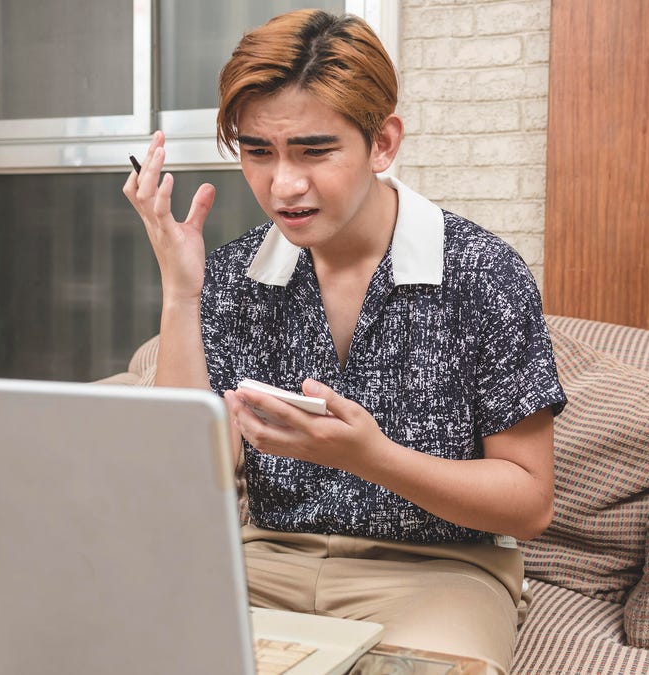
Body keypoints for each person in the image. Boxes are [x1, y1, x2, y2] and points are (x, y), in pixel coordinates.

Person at [122, 9, 565, 673]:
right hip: (264, 559)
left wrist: (371, 456)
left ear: (382, 143)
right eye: (258, 151)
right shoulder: (235, 275)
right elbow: (182, 474)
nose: (283, 185)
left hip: (440, 570)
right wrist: (182, 294)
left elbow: (529, 503)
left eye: (314, 150)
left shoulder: (482, 272)